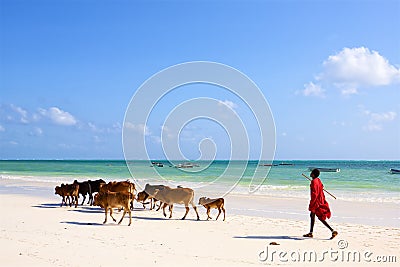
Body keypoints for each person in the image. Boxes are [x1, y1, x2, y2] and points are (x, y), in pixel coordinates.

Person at [303, 168, 338, 239]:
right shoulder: (318, 180)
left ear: (313, 174)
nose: (310, 173)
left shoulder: (314, 182)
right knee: (312, 215)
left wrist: (312, 203)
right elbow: (321, 187)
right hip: (320, 200)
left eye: (311, 172)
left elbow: (314, 194)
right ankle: (311, 233)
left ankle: (332, 231)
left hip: (316, 202)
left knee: (320, 217)